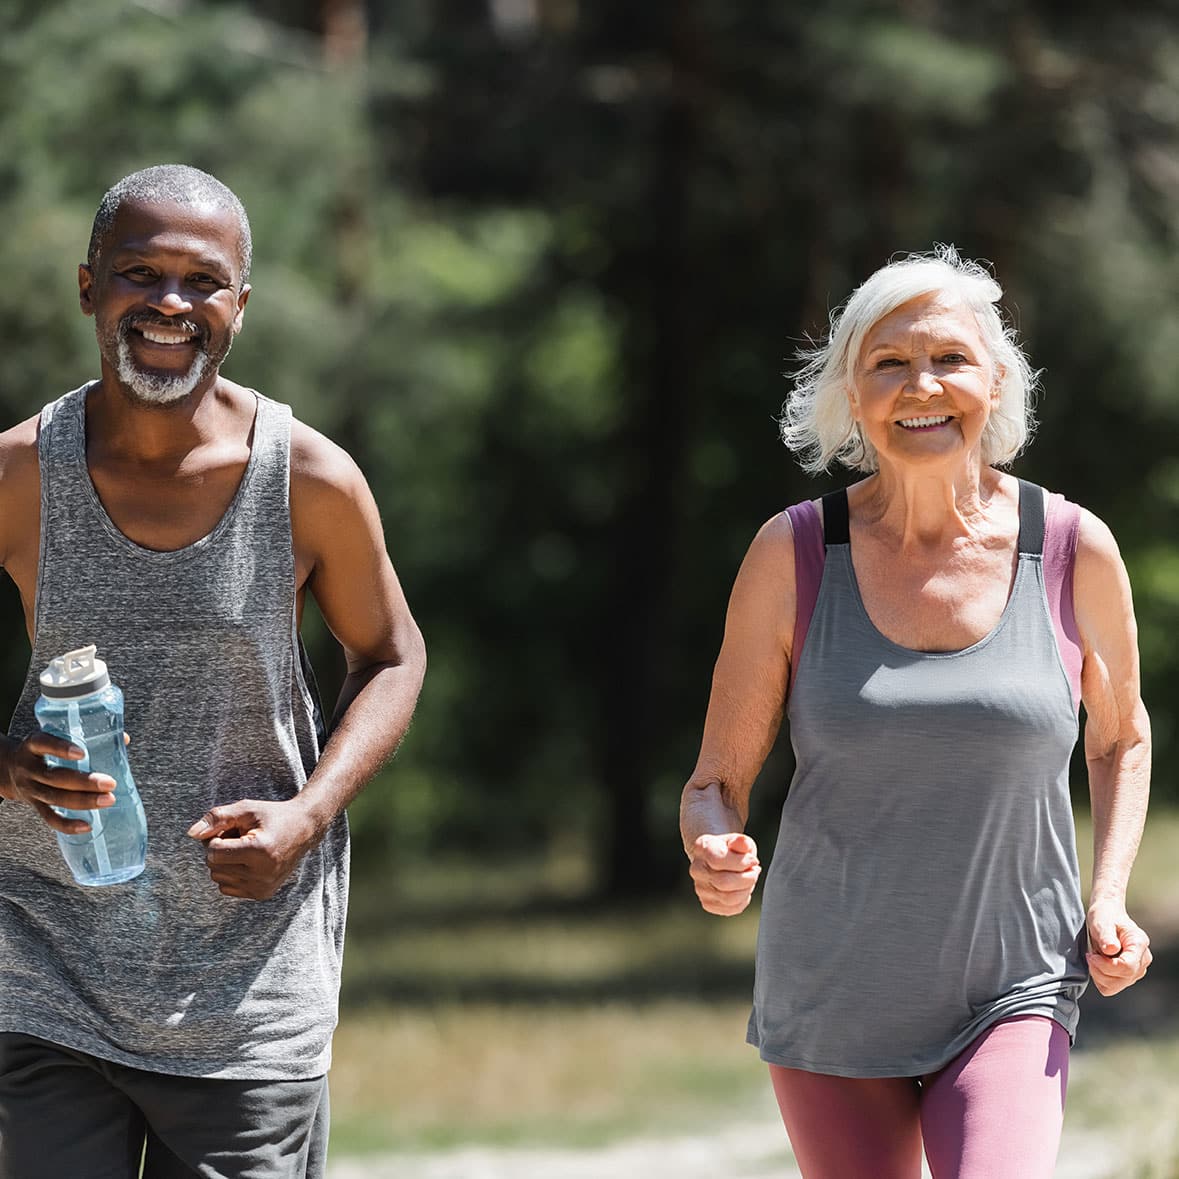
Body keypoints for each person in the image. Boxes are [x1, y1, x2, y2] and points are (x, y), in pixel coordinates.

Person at [679, 246, 1152, 1178]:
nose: (919, 385)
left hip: (1017, 980)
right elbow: (714, 783)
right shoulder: (794, 554)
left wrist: (1106, 896)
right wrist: (713, 846)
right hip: (831, 991)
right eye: (887, 364)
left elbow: (1121, 736)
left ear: (996, 382)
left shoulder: (1069, 548)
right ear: (851, 398)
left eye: (947, 359)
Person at [0, 164, 426, 1178]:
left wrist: (306, 816)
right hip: (43, 965)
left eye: (201, 280)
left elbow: (394, 656)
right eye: (139, 273)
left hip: (250, 981)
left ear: (238, 304)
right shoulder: (19, 473)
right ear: (88, 286)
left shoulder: (308, 478)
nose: (169, 303)